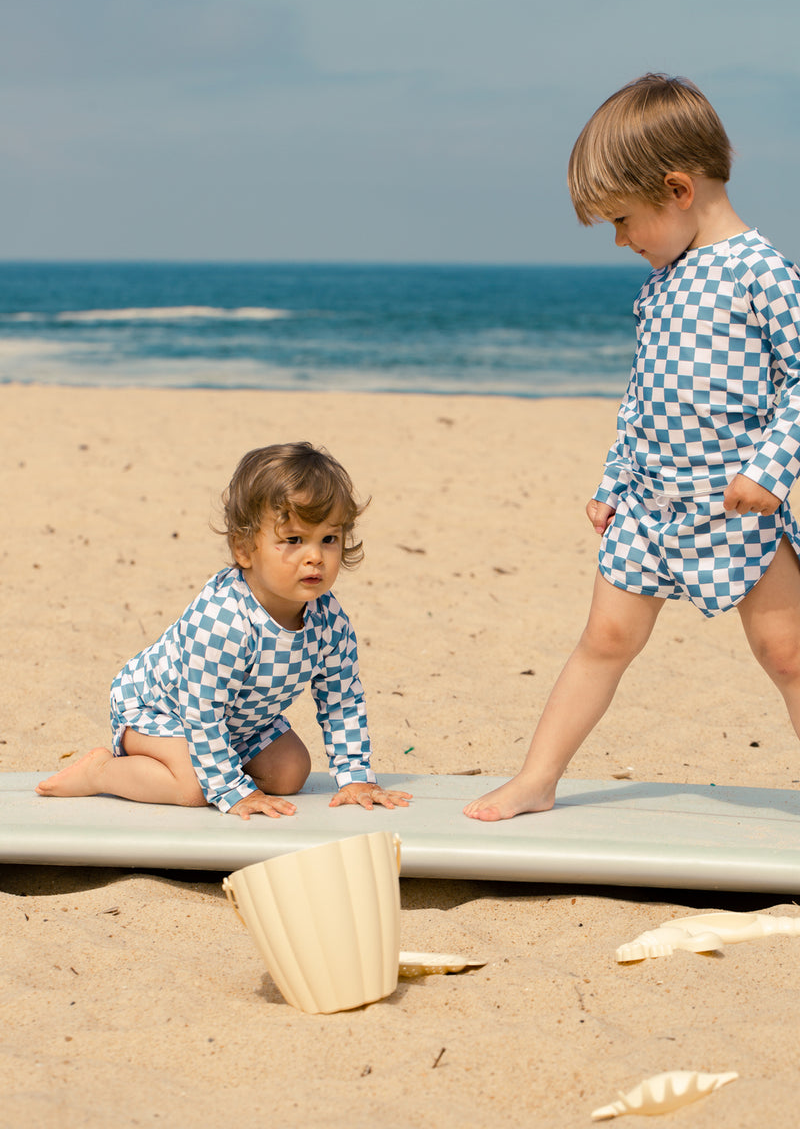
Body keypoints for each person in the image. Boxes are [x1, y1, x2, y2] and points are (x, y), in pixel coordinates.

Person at [464, 72, 800, 822]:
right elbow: (641, 398)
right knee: (604, 638)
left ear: (678, 189)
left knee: (789, 657)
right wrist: (613, 483)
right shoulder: (660, 284)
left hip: (738, 507)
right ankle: (537, 778)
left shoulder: (761, 273)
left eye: (622, 219)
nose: (620, 240)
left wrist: (768, 471)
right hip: (649, 506)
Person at [37, 442, 411, 819]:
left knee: (290, 772)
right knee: (196, 788)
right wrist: (232, 790)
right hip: (161, 712)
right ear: (244, 549)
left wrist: (355, 777)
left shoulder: (330, 621)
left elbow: (341, 699)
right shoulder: (225, 620)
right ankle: (101, 772)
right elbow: (200, 711)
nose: (314, 555)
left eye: (328, 539)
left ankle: (215, 763)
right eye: (294, 540)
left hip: (239, 721)